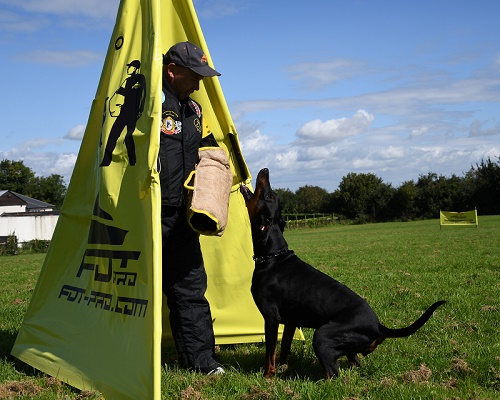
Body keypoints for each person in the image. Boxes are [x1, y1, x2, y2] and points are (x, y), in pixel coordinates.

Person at [159, 41, 224, 375]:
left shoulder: (195, 111)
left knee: (190, 287)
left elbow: (209, 154)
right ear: (172, 71)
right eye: (194, 75)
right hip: (147, 217)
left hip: (183, 216)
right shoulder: (149, 104)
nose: (200, 82)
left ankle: (201, 362)